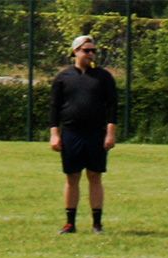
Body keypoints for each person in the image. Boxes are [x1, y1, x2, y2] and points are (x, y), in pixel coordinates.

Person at [49, 35, 118, 234]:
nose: (91, 54)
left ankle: (97, 223)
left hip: (96, 133)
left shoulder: (104, 77)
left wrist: (110, 133)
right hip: (71, 133)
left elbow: (112, 106)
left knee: (95, 175)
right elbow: (54, 108)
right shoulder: (63, 77)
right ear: (75, 52)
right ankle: (70, 223)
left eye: (93, 50)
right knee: (72, 177)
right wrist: (55, 134)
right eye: (86, 50)